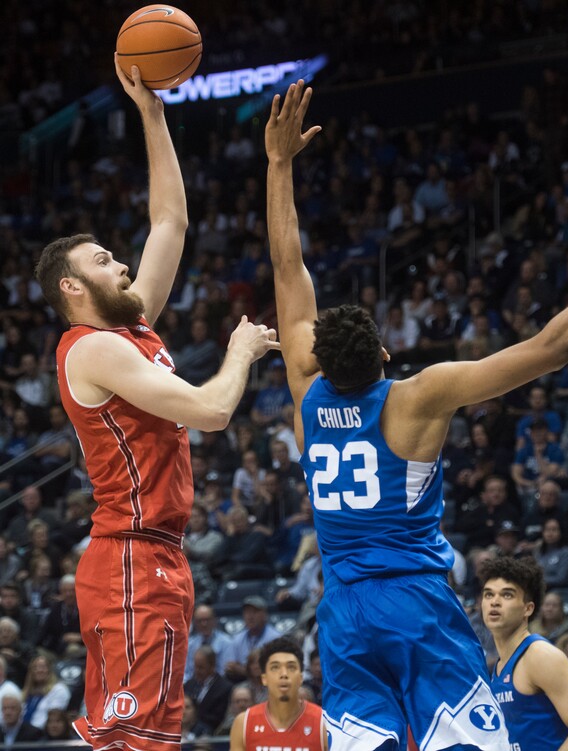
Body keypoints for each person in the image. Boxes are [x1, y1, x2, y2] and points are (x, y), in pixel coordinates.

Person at [265, 79, 568, 751]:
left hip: (342, 614)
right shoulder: (418, 394)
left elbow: (287, 265)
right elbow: (553, 347)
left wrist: (278, 166)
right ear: (387, 354)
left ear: (322, 361)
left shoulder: (306, 394)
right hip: (416, 604)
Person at [33, 59, 279, 751]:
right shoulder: (90, 348)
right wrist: (238, 351)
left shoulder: (131, 326)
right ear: (73, 288)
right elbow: (211, 411)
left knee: (132, 734)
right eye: (105, 261)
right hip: (133, 559)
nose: (121, 264)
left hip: (148, 558)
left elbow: (170, 217)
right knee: (136, 739)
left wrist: (152, 114)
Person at [481, 556, 568, 751]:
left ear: (528, 608)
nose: (495, 602)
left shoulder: (540, 656)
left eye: (507, 595)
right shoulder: (499, 666)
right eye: (488, 595)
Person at [229, 636, 327, 751]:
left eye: (291, 667)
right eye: (275, 667)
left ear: (301, 677)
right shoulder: (244, 723)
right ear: (264, 678)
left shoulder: (323, 723)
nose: (284, 674)